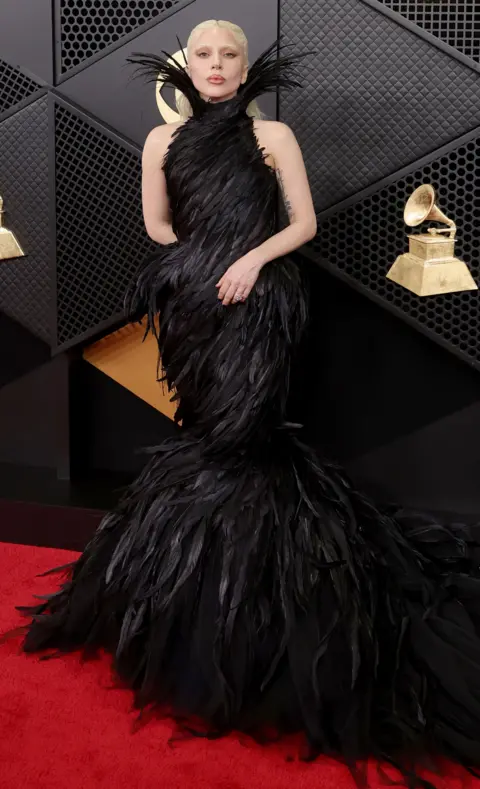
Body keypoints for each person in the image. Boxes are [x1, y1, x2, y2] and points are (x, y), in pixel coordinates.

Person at [3, 19, 480, 787]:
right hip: (195, 305)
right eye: (205, 55)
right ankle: (195, 612)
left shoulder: (274, 136)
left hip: (262, 306)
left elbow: (304, 224)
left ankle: (256, 621)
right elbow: (158, 225)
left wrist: (250, 261)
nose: (218, 65)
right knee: (204, 437)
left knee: (244, 437)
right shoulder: (163, 144)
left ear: (244, 64)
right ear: (187, 65)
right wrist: (200, 261)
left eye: (230, 54)